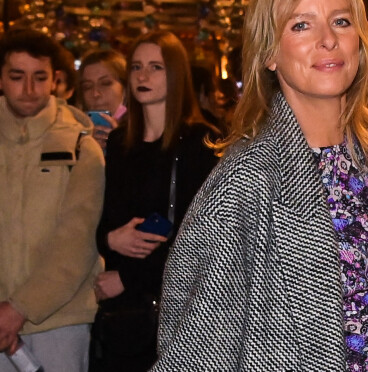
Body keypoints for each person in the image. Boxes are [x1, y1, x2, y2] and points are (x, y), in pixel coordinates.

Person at [150, 0, 368, 371]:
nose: (328, 40)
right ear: (269, 53)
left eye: (341, 21)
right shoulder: (247, 178)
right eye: (302, 25)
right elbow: (193, 350)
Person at [91, 30, 219, 372]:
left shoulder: (200, 143)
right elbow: (102, 219)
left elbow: (203, 238)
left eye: (155, 67)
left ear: (176, 74)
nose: (142, 76)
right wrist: (109, 239)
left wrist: (131, 278)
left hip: (176, 309)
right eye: (136, 67)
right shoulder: (119, 143)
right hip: (124, 316)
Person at [0, 29, 105, 372]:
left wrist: (20, 308)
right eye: (17, 76)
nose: (29, 88)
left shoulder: (79, 144)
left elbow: (77, 240)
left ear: (55, 80)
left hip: (61, 319)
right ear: (2, 78)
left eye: (39, 77)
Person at [78, 49, 127, 151]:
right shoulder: (74, 134)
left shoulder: (145, 133)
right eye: (87, 87)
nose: (95, 94)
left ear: (125, 87)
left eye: (105, 83)